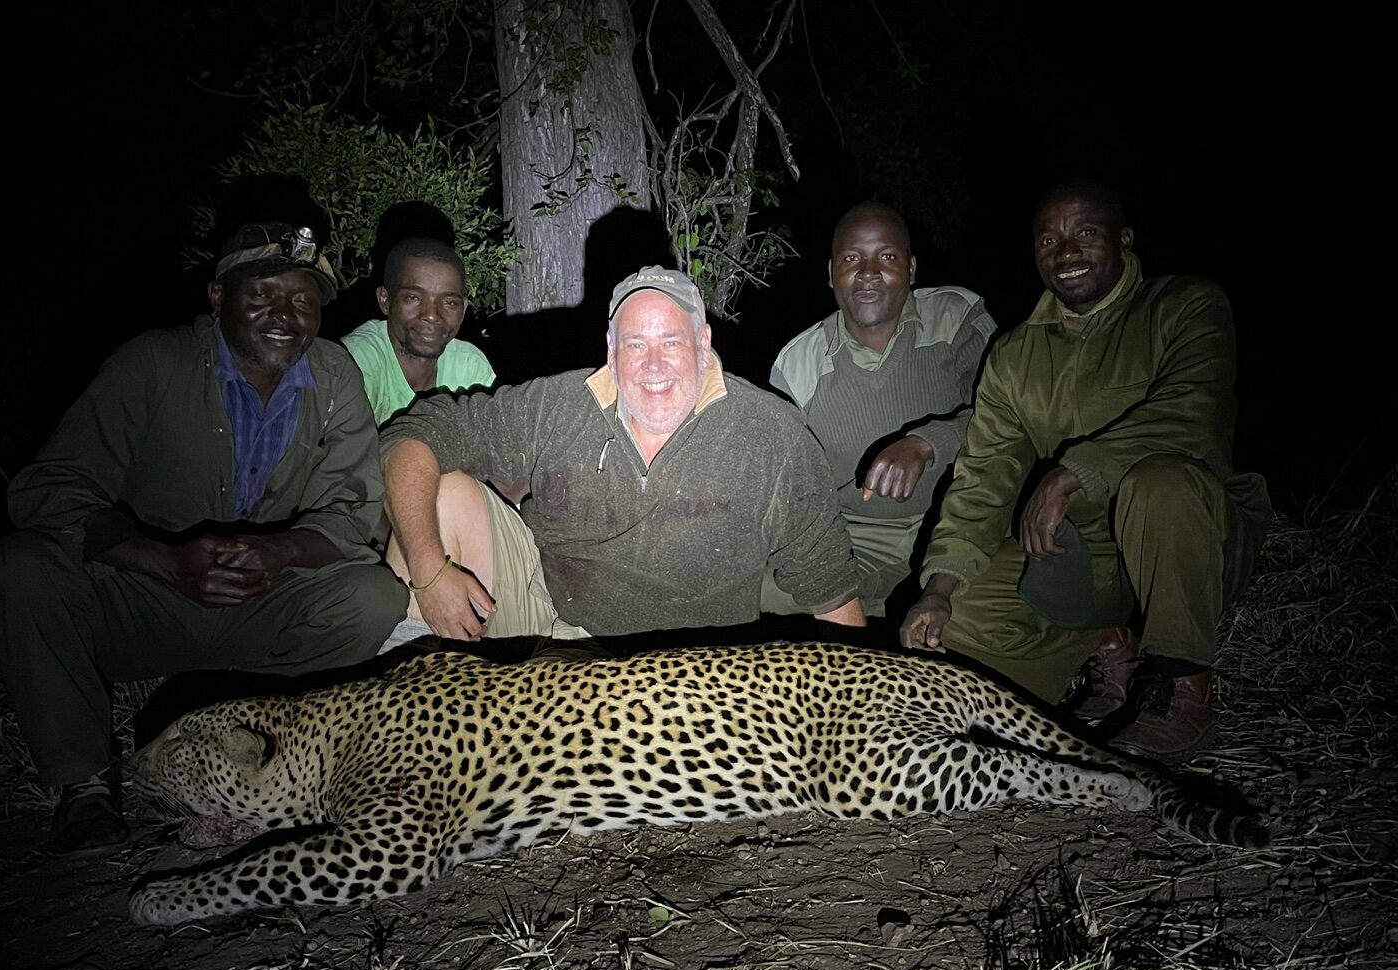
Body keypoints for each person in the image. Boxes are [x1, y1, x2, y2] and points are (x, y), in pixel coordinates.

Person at [0, 222, 408, 857]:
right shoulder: (153, 362)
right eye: (261, 294)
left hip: (259, 598)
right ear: (216, 295)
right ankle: (82, 783)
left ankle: (279, 757)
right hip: (144, 596)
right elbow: (46, 491)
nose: (285, 315)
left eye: (303, 300)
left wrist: (279, 551)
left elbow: (350, 511)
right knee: (18, 569)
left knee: (371, 596)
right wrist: (163, 560)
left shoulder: (334, 375)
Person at [901, 179, 1271, 762]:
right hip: (1085, 558)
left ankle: (1183, 691)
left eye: (1086, 233)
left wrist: (1070, 474)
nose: (1066, 252)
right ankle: (1102, 644)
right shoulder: (1015, 354)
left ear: (1125, 240)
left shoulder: (1187, 306)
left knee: (1161, 484)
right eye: (1049, 239)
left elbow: (1190, 413)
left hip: (1191, 535)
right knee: (957, 626)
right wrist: (939, 587)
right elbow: (985, 475)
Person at [379, 265, 865, 645]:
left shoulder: (773, 435)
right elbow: (416, 432)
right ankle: (411, 738)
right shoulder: (559, 403)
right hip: (553, 632)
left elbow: (831, 588)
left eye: (671, 342)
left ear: (702, 342)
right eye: (635, 344)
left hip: (696, 669)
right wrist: (429, 570)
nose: (653, 366)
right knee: (438, 494)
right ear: (611, 350)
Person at [768, 202, 995, 617]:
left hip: (957, 518)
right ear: (831, 273)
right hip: (858, 537)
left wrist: (927, 443)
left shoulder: (956, 317)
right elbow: (790, 484)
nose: (868, 272)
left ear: (910, 269)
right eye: (852, 258)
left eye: (886, 257)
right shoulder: (796, 364)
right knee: (749, 590)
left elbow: (1008, 419)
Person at [342, 237, 496, 424]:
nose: (431, 315)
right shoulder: (356, 361)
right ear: (385, 300)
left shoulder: (470, 366)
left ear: (463, 310)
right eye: (413, 298)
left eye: (449, 302)